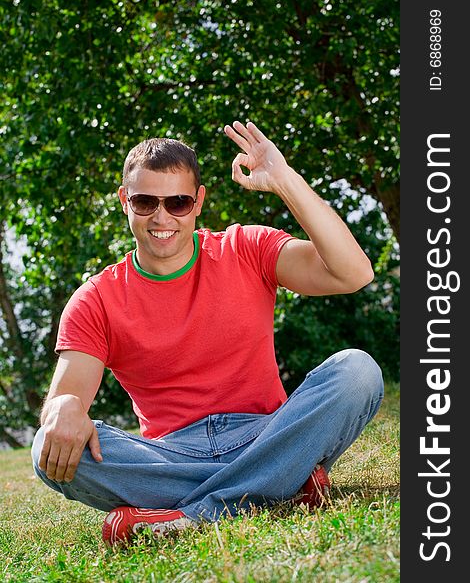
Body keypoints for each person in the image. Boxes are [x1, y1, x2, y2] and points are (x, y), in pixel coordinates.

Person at [31, 121, 384, 546]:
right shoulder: (96, 299)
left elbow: (354, 272)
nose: (161, 217)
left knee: (357, 371)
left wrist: (285, 180)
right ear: (125, 202)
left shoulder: (246, 248)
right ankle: (282, 482)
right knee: (46, 452)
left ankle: (197, 514)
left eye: (177, 202)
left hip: (267, 432)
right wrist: (65, 407)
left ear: (198, 202)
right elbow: (66, 403)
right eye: (145, 201)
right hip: (172, 455)